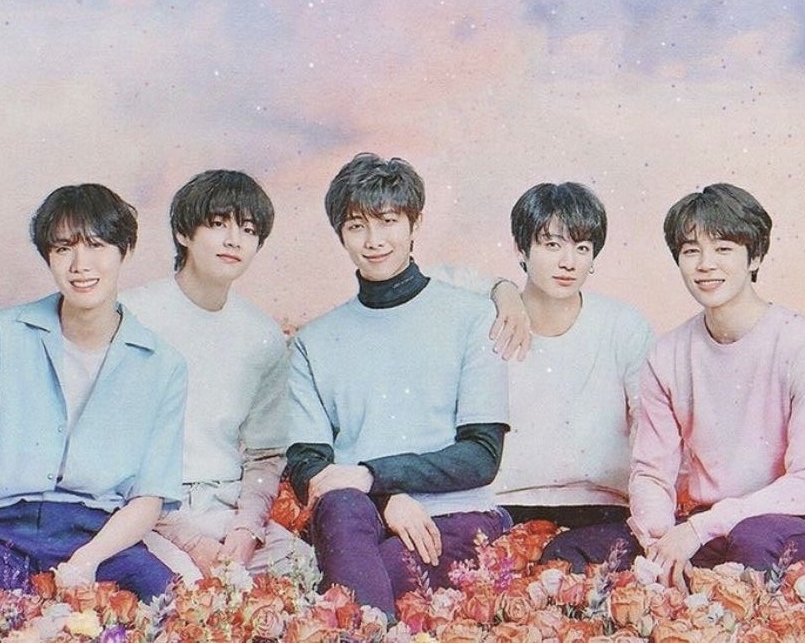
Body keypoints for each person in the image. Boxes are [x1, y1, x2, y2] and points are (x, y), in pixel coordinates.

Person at [0, 184, 186, 601]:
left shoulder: (163, 365)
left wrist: (86, 560)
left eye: (97, 245)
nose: (80, 265)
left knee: (172, 604)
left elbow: (150, 496)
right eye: (64, 248)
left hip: (100, 538)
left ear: (125, 250)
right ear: (48, 255)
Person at [284, 153, 510, 614]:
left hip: (454, 514)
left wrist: (372, 474)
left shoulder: (471, 317)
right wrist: (384, 496)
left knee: (373, 576)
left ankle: (360, 627)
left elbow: (482, 456)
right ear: (340, 234)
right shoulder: (314, 341)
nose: (374, 241)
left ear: (414, 223)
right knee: (342, 512)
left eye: (388, 221)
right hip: (356, 515)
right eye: (356, 226)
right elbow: (307, 465)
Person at [629, 183, 805, 587]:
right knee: (601, 552)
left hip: (798, 520)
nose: (705, 265)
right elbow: (651, 473)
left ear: (755, 256)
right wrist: (660, 544)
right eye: (691, 251)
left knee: (754, 541)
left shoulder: (802, 345)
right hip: (707, 523)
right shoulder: (666, 354)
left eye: (723, 248)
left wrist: (699, 529)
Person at [122, 170, 310, 581]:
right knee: (179, 590)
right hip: (144, 512)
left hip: (225, 509)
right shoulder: (131, 316)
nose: (234, 240)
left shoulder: (262, 335)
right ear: (183, 233)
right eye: (218, 223)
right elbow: (112, 449)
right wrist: (191, 542)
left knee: (303, 569)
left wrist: (246, 530)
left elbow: (266, 453)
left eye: (248, 229)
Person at [492, 182, 654, 571]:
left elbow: (654, 429)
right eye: (552, 245)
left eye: (582, 248)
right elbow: (433, 278)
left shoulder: (623, 326)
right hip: (503, 506)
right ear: (521, 249)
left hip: (603, 508)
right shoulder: (488, 323)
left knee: (568, 572)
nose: (569, 262)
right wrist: (499, 290)